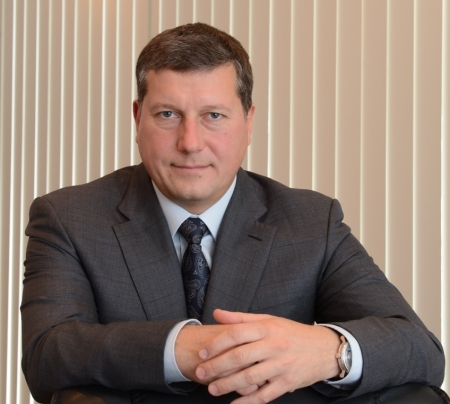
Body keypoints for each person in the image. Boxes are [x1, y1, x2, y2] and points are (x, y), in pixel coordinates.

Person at [21, 23, 445, 404]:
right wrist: (180, 348)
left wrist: (332, 350)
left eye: (213, 116)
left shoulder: (311, 221)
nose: (190, 142)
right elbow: (46, 355)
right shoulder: (68, 218)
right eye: (167, 115)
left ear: (248, 121)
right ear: (137, 118)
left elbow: (420, 350)